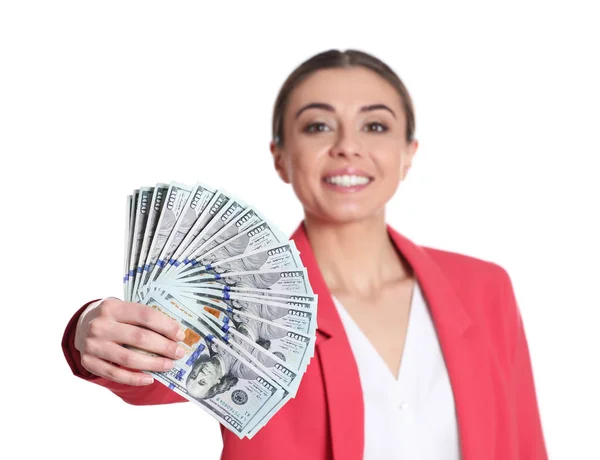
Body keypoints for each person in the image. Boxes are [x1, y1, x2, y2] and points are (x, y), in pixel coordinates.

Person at [62, 48, 548, 459]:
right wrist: (90, 330)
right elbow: (145, 373)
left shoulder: (485, 288)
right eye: (318, 126)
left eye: (375, 127)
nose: (347, 148)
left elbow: (525, 445)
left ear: (409, 153)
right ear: (280, 156)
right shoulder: (233, 293)